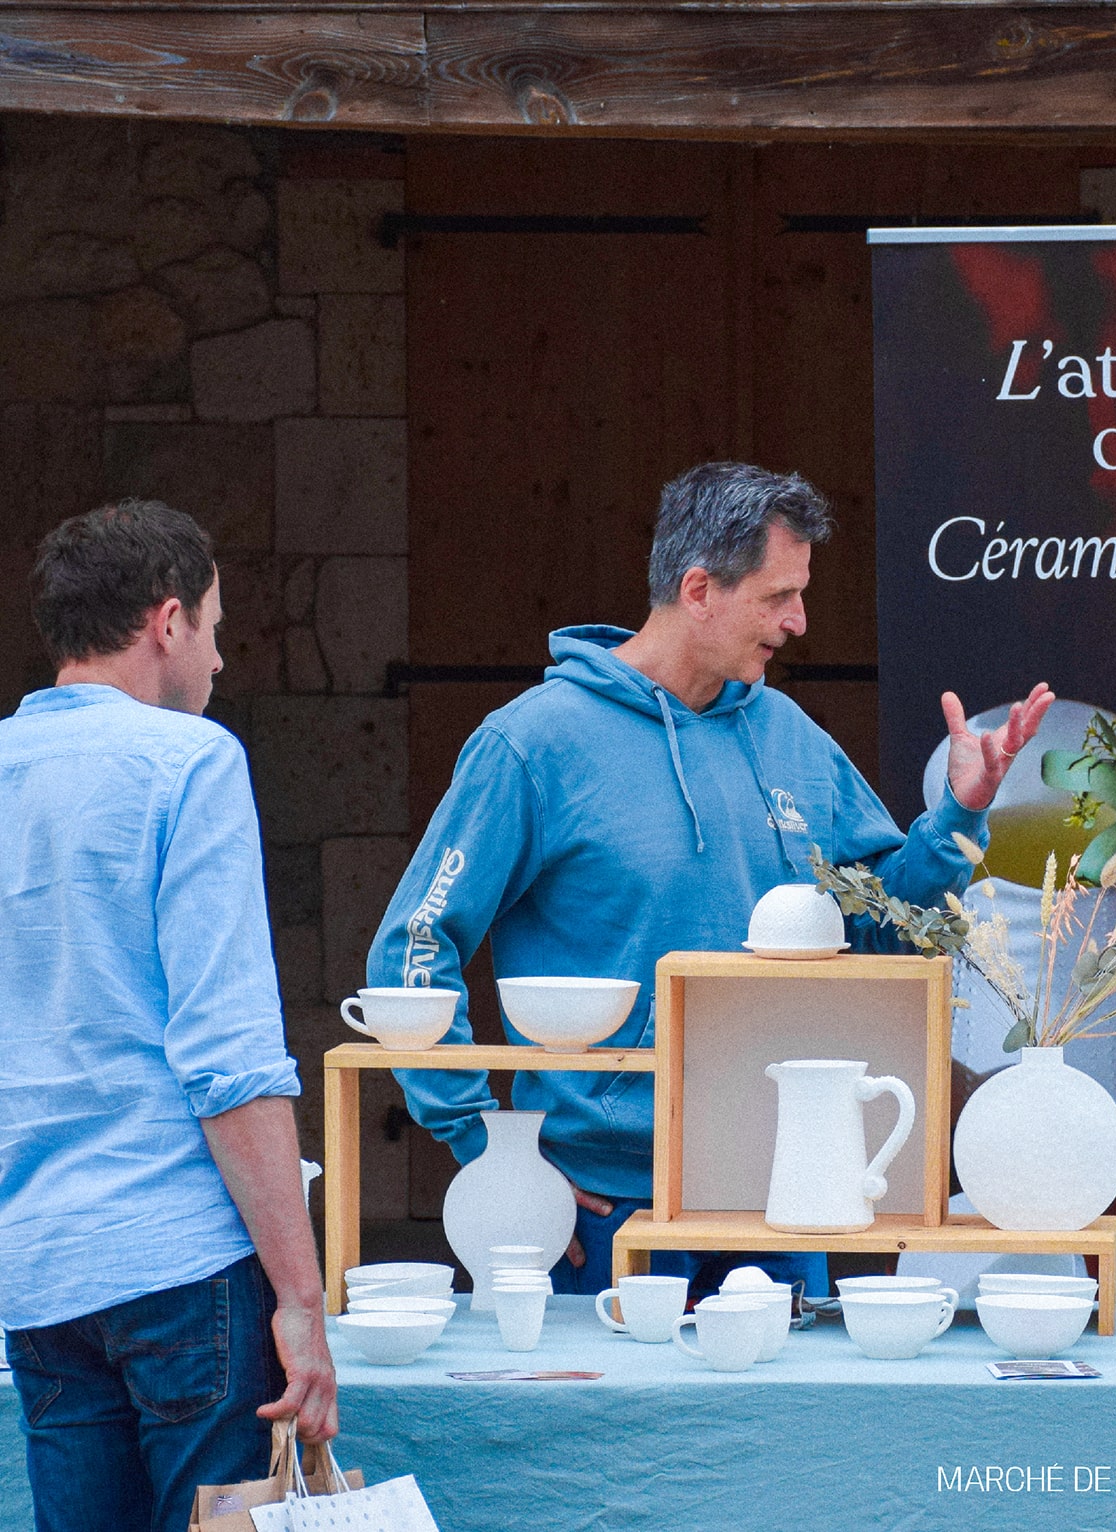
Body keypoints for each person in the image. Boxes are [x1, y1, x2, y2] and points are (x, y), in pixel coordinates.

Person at [370, 463, 1051, 1298]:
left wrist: (955, 822)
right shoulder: (533, 744)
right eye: (778, 597)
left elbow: (880, 928)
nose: (800, 623)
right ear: (698, 589)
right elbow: (415, 943)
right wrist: (488, 1149)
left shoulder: (793, 737)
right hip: (600, 1210)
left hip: (787, 1198)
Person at [0, 501, 338, 1532]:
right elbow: (230, 1059)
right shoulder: (189, 759)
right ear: (167, 620)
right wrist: (301, 1295)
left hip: (40, 1270)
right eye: (218, 628)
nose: (223, 661)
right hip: (180, 1256)